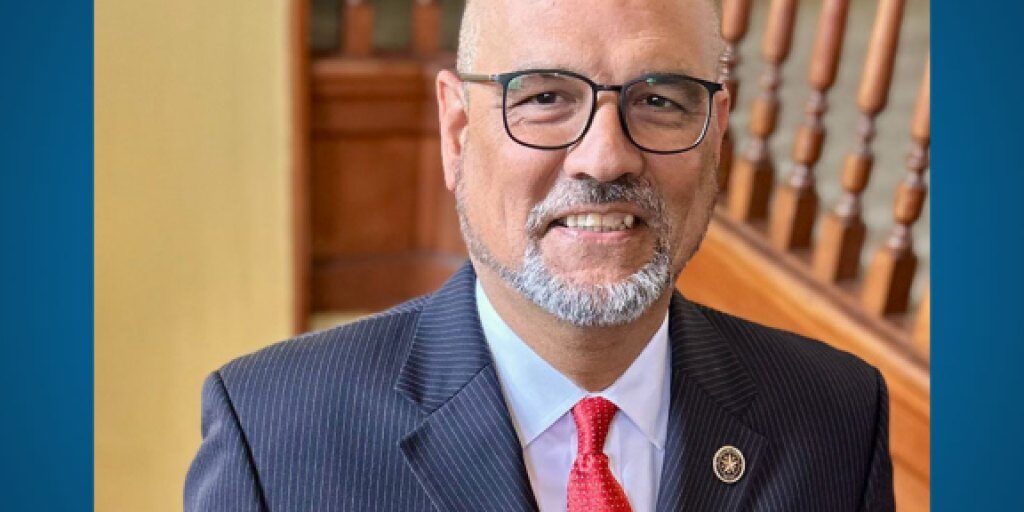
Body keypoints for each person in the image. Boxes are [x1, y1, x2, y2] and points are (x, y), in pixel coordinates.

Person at [185, 0, 895, 510]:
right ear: (457, 132)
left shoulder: (838, 417)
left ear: (716, 134)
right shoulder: (274, 436)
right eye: (547, 97)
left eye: (660, 101)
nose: (605, 157)